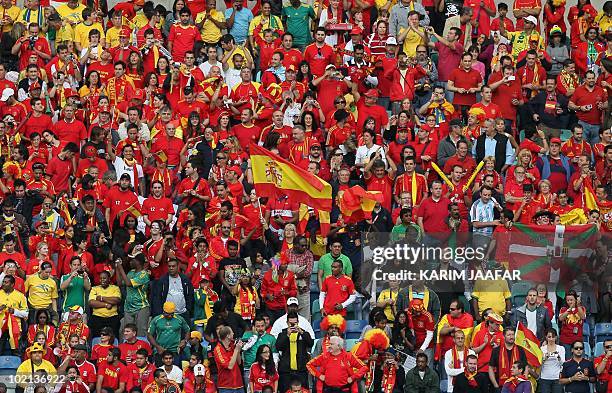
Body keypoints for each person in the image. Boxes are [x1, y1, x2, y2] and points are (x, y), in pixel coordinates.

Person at [277, 312, 313, 393]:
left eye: (295, 323)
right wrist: (287, 335)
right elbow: (278, 347)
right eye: (291, 323)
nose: (293, 325)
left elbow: (310, 343)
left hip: (301, 371)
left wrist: (302, 332)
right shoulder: (282, 334)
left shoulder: (303, 333)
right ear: (287, 323)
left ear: (298, 322)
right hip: (286, 372)